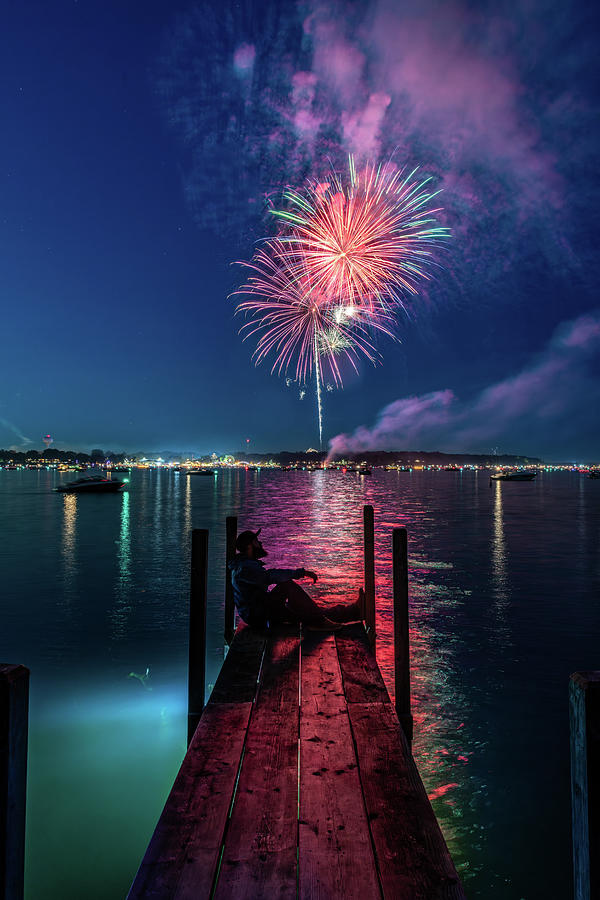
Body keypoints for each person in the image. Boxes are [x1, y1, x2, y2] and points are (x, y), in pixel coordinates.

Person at [228, 528, 365, 631]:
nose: (260, 543)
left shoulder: (243, 565)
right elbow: (269, 577)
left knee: (309, 612)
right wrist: (301, 572)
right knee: (288, 587)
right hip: (259, 616)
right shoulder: (244, 568)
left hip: (259, 612)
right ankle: (343, 615)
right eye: (256, 541)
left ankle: (352, 611)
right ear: (250, 546)